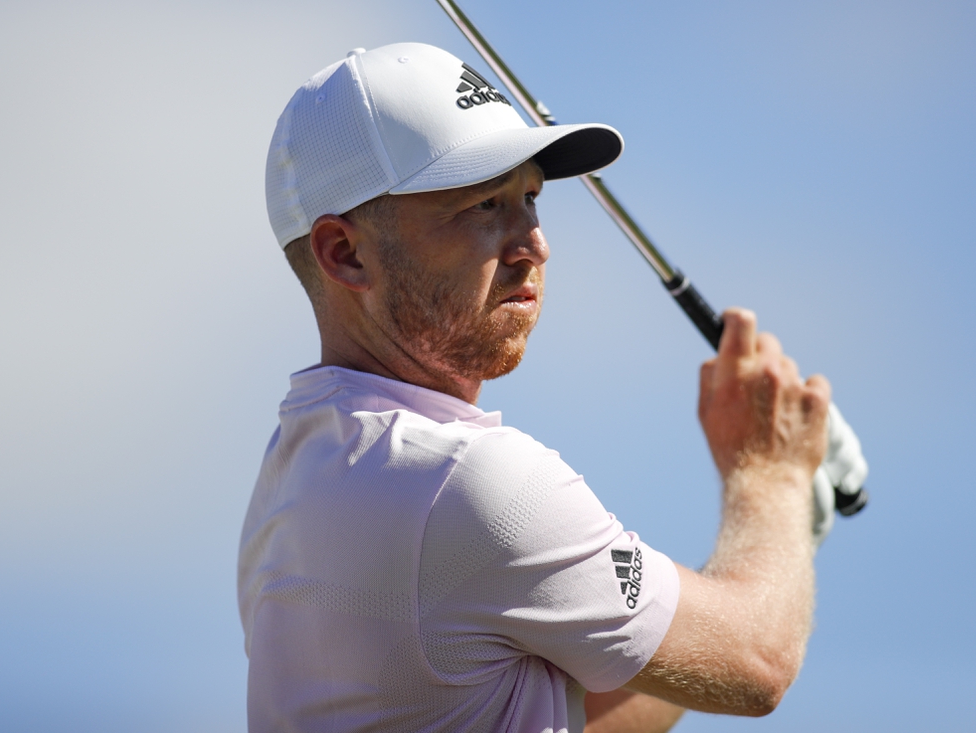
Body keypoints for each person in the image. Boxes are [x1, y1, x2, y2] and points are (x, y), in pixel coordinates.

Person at [239, 42, 831, 733]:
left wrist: (789, 531)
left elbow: (564, 712)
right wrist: (773, 475)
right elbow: (757, 660)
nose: (534, 243)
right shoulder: (464, 481)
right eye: (483, 203)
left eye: (529, 197)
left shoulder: (300, 469)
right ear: (346, 252)